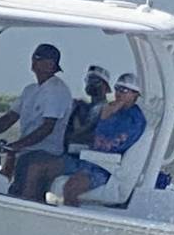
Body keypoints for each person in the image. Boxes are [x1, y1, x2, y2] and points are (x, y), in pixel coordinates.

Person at [0, 43, 72, 198]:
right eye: (35, 58)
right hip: (26, 150)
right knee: (6, 164)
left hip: (45, 152)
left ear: (51, 65)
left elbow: (47, 127)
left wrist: (17, 146)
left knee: (26, 169)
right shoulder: (30, 90)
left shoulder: (56, 89)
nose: (34, 62)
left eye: (39, 59)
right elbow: (9, 118)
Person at [57, 73, 148, 206]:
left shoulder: (134, 120)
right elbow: (95, 137)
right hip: (89, 161)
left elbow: (111, 145)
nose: (118, 93)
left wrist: (105, 117)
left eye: (124, 90)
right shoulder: (115, 110)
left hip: (105, 169)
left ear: (135, 94)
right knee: (45, 164)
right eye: (117, 88)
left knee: (71, 187)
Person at [65, 65, 112, 149]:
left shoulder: (106, 109)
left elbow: (88, 132)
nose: (90, 83)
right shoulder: (81, 107)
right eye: (89, 80)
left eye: (95, 80)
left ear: (105, 87)